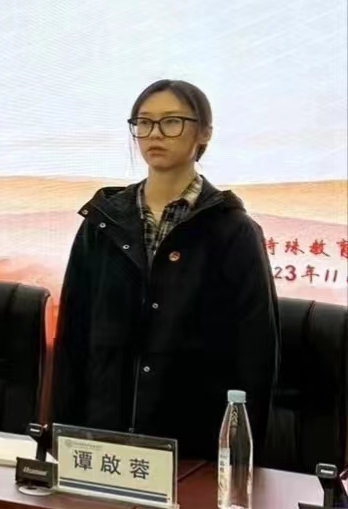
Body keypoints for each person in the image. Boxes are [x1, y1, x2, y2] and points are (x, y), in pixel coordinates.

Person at [53, 80, 278, 460]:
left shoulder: (231, 229)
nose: (155, 134)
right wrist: (64, 436)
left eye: (172, 122)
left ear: (204, 132)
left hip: (191, 442)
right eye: (144, 122)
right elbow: (74, 336)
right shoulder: (104, 222)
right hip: (102, 436)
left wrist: (238, 457)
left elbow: (255, 351)